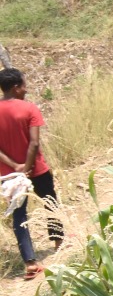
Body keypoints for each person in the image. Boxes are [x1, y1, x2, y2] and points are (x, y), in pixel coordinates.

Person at [0, 68, 63, 280]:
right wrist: (27, 166)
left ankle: (30, 262)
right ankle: (58, 240)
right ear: (16, 88)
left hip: (9, 174)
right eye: (24, 86)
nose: (26, 89)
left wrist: (15, 166)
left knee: (19, 214)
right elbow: (34, 142)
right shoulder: (29, 108)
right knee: (49, 201)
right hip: (36, 168)